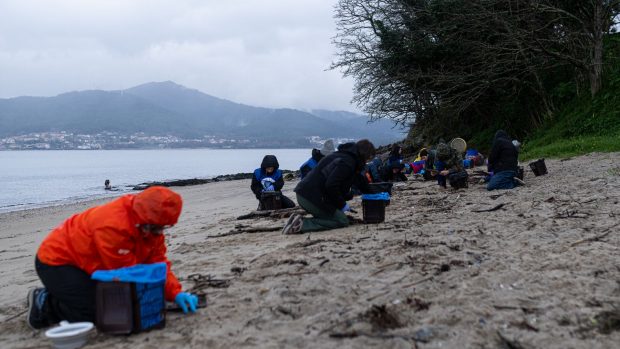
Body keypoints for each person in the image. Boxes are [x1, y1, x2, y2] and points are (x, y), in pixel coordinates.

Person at [27, 186, 199, 330]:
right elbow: (125, 275)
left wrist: (176, 293)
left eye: (161, 228)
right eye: (153, 228)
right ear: (142, 218)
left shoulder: (152, 225)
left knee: (118, 308)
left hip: (91, 264)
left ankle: (69, 294)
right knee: (99, 313)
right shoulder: (113, 226)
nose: (157, 233)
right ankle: (43, 302)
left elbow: (157, 263)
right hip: (57, 262)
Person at [282, 139, 375, 234]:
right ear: (364, 155)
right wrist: (342, 205)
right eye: (369, 158)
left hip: (305, 194)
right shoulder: (347, 162)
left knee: (334, 216)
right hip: (310, 197)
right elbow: (331, 185)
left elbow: (360, 181)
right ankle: (301, 224)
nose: (367, 162)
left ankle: (295, 220)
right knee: (341, 220)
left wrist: (375, 196)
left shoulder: (347, 158)